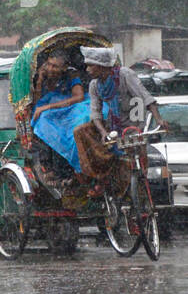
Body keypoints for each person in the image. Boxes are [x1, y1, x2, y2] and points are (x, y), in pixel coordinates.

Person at [76, 46, 163, 194]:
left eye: (90, 66)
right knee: (80, 131)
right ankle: (100, 176)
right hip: (112, 126)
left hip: (133, 125)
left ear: (101, 66)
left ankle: (140, 189)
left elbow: (145, 97)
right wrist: (103, 133)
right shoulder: (94, 85)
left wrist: (159, 119)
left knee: (138, 162)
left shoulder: (124, 75)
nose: (87, 70)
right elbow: (95, 113)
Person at [29, 51, 89, 188]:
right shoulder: (42, 77)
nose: (51, 69)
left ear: (64, 67)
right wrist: (39, 82)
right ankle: (50, 167)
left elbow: (78, 97)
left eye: (55, 66)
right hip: (51, 115)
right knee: (41, 120)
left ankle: (69, 170)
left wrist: (48, 107)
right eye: (49, 64)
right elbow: (37, 104)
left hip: (69, 112)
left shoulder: (71, 75)